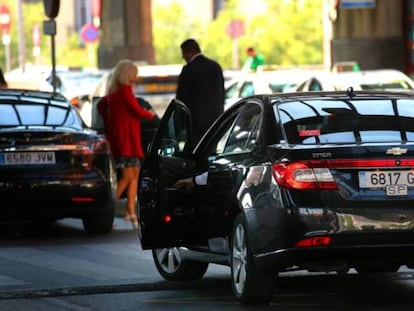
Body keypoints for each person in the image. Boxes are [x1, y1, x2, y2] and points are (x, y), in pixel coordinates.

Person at [97, 59, 155, 230]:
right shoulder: (125, 91)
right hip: (127, 141)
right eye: (133, 75)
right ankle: (109, 209)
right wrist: (150, 114)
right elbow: (136, 110)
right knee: (128, 177)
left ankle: (130, 211)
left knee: (135, 175)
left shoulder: (113, 93)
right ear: (127, 75)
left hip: (124, 140)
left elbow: (101, 105)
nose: (135, 79)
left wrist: (111, 121)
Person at [176, 38, 225, 145]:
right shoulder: (215, 66)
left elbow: (182, 98)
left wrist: (179, 121)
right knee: (210, 150)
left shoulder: (189, 69)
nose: (183, 57)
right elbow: (222, 93)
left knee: (195, 152)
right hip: (215, 120)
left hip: (195, 123)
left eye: (184, 53)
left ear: (191, 51)